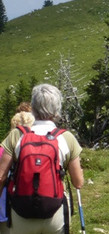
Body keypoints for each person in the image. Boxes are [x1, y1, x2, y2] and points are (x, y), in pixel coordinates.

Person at [0, 84, 85, 233]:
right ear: (57, 109)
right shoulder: (66, 137)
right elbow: (78, 182)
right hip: (55, 210)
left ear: (33, 107)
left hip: (21, 210)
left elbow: (1, 177)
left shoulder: (17, 135)